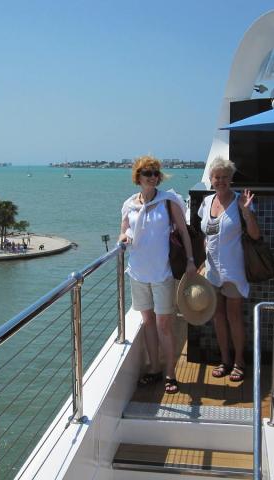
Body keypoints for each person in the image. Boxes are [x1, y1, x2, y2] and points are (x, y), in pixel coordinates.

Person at [119, 155, 196, 394]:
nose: (152, 177)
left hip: (162, 273)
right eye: (147, 173)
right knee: (148, 322)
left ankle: (170, 373)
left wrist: (191, 261)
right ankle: (154, 368)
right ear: (138, 177)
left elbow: (184, 232)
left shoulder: (168, 201)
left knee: (164, 324)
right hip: (138, 272)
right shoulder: (129, 205)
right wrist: (124, 238)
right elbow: (123, 231)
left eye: (155, 173)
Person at [198, 157, 260, 382]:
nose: (221, 181)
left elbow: (255, 235)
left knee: (234, 316)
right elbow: (206, 235)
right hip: (212, 271)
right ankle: (224, 360)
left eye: (225, 177)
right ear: (211, 179)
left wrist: (246, 212)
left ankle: (239, 361)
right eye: (217, 177)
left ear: (231, 179)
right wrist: (203, 262)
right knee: (218, 316)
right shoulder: (206, 202)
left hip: (233, 270)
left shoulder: (240, 201)